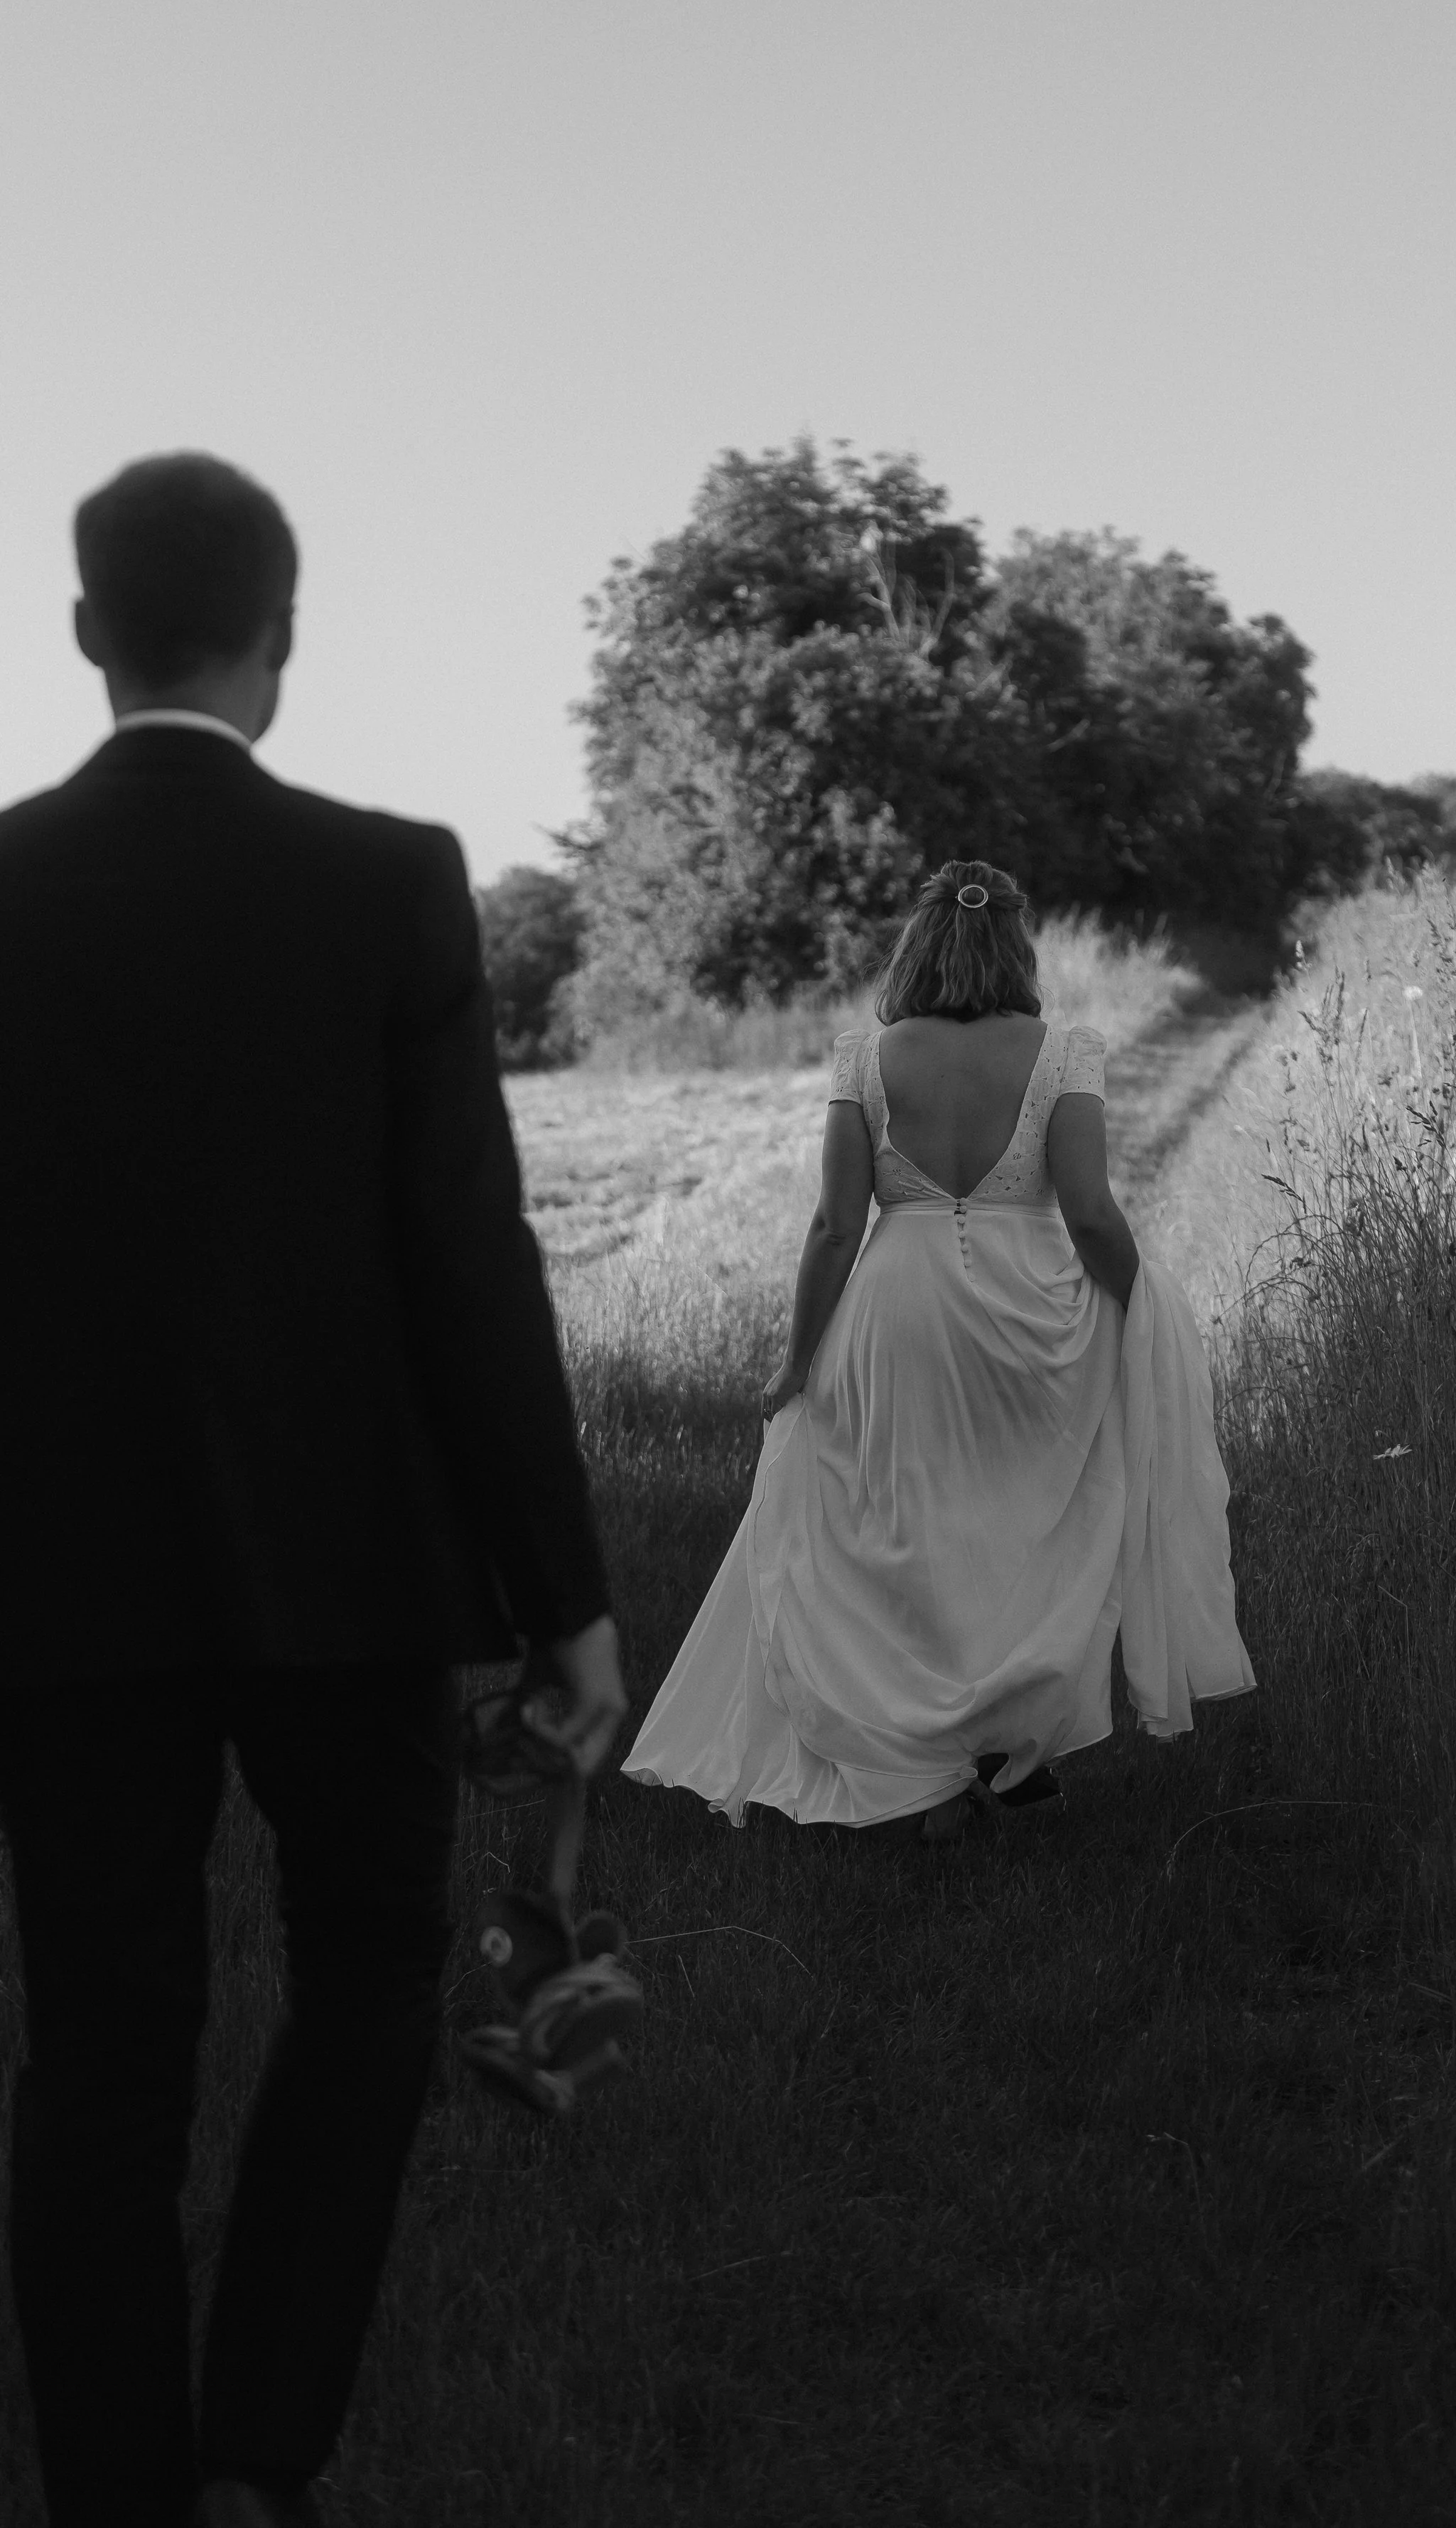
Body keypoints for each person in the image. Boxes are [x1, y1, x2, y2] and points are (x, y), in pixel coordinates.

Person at [0, 453, 628, 2528]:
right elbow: (466, 1257)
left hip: (55, 1579)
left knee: (99, 2049)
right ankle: (260, 2454)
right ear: (281, 636)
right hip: (349, 1567)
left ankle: (116, 2493)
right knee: (367, 1972)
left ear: (84, 634)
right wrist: (561, 1592)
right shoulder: (388, 883)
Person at [622, 859, 1253, 1840]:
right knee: (1026, 1522)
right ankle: (1001, 1741)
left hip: (897, 1308)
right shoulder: (1065, 1052)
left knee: (906, 1524)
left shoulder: (866, 1060)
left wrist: (798, 1356)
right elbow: (1090, 1212)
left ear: (915, 947)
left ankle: (930, 1761)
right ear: (1018, 947)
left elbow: (836, 1224)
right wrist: (1141, 1309)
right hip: (1029, 1311)